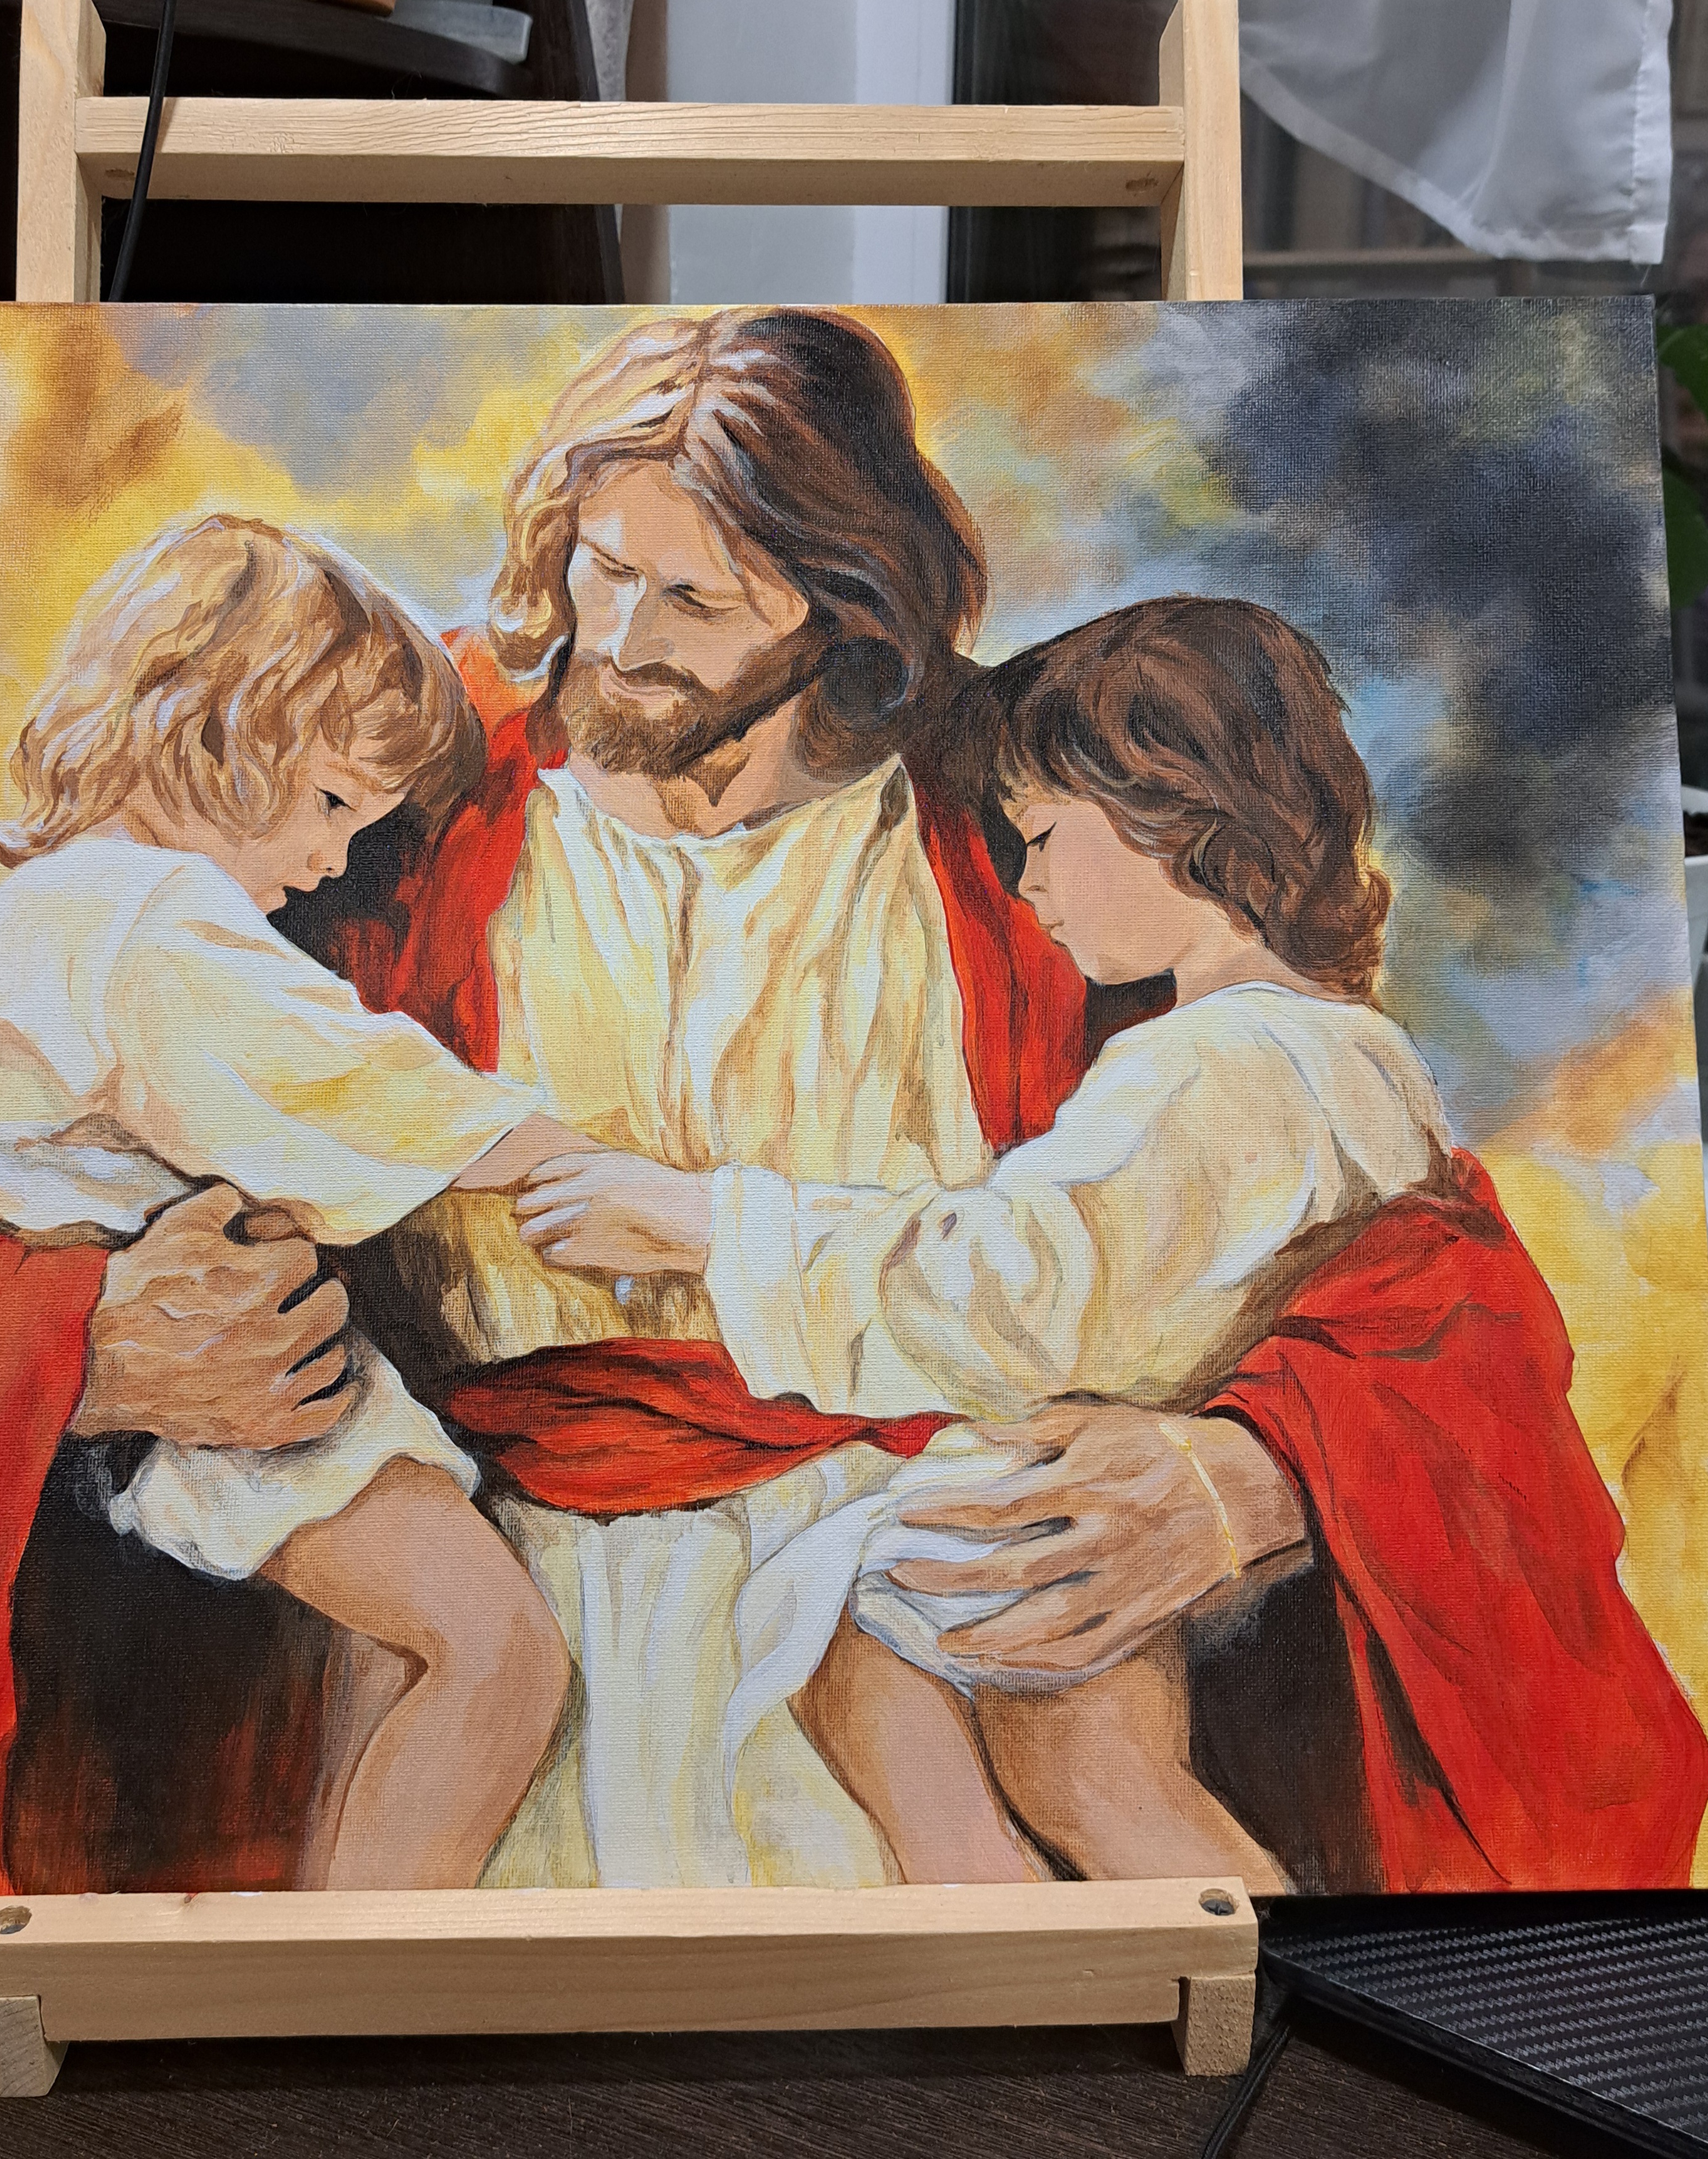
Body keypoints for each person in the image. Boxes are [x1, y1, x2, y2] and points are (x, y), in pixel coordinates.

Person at [303, 309, 1708, 1893]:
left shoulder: (1045, 818)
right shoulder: (392, 788)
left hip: (953, 1597)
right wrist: (153, 1308)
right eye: (601, 567)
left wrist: (1251, 1477)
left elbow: (1408, 1277)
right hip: (504, 1638)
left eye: (697, 600)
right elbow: (139, 1080)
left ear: (836, 601)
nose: (620, 641)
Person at [0, 514, 580, 1913]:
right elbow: (345, 1088)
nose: (335, 860)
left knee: (403, 1648)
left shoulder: (49, 907)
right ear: (218, 732)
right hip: (138, 1338)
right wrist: (569, 1161)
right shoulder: (140, 915)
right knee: (493, 1650)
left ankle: (346, 1925)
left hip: (99, 1342)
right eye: (331, 802)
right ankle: (369, 1959)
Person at [512, 595, 1463, 1893]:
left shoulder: (1212, 1068)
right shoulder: (1361, 1059)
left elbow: (1010, 1288)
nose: (1026, 887)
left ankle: (993, 1908)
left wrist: (713, 1227)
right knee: (1087, 1773)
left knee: (859, 1635)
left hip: (1093, 1492)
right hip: (1177, 1494)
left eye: (1046, 837)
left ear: (1172, 816)